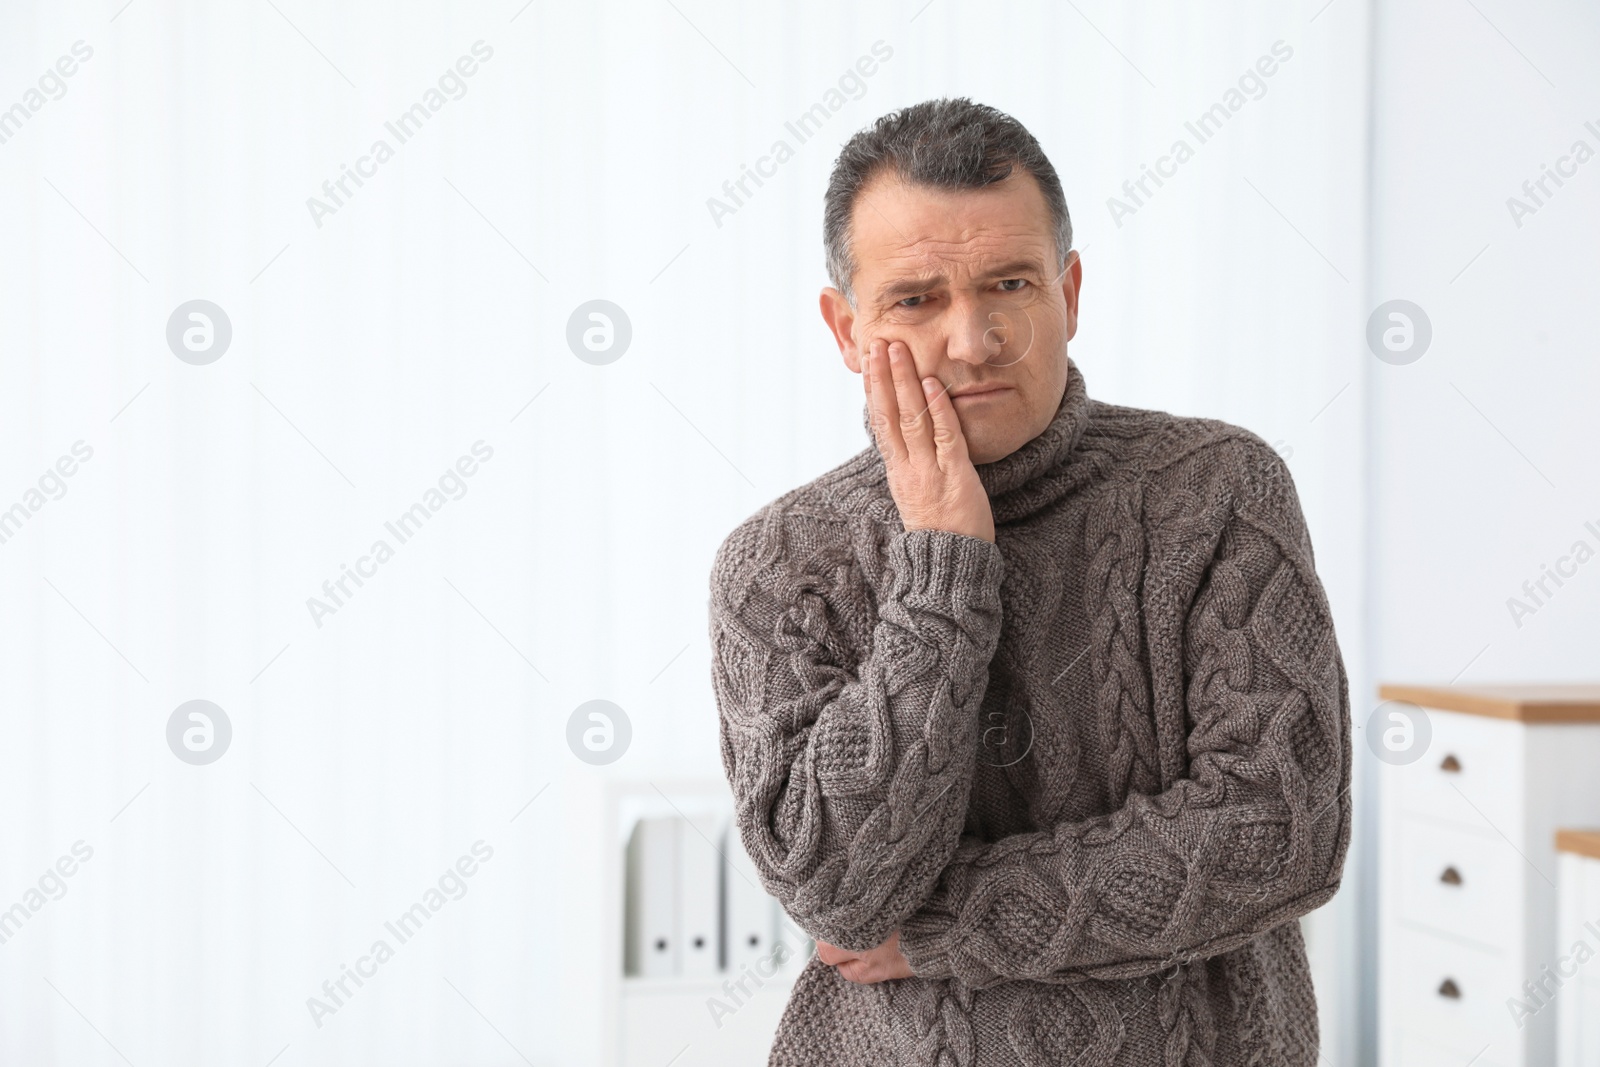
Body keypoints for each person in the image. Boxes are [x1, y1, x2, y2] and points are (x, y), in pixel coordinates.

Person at [707, 96, 1351, 1066]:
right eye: (916, 298)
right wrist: (943, 567)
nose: (972, 339)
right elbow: (840, 894)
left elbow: (1276, 832)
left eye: (1008, 282)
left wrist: (939, 927)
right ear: (845, 327)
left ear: (1070, 292)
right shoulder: (777, 563)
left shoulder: (1219, 489)